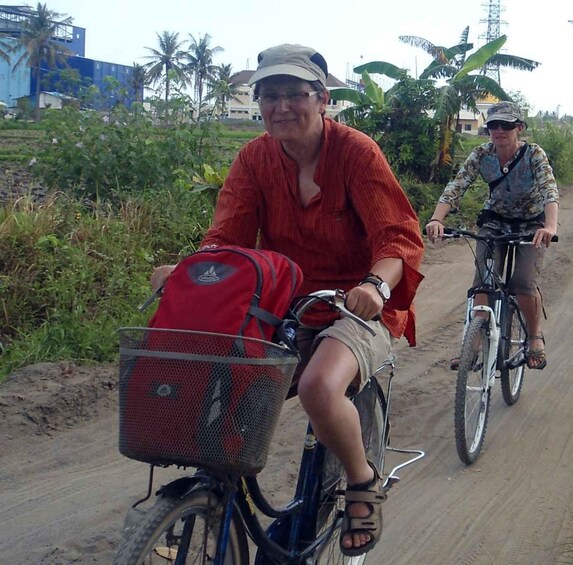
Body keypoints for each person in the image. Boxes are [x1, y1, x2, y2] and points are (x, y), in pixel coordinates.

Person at [150, 44, 424, 557]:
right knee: (223, 376)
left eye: (293, 94)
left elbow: (399, 241)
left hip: (356, 304)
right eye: (268, 95)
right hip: (282, 303)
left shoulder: (356, 153)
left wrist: (375, 286)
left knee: (320, 387)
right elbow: (225, 240)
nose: (280, 106)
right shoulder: (253, 158)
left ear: (322, 99)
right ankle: (216, 494)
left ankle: (363, 482)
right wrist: (191, 269)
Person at [425, 101, 558, 370]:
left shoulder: (534, 155)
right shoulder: (481, 154)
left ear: (519, 128)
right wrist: (437, 218)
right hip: (495, 222)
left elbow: (549, 190)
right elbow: (457, 186)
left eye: (506, 125)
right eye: (493, 125)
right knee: (484, 282)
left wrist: (550, 227)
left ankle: (534, 337)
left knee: (523, 283)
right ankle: (471, 346)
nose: (499, 130)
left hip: (531, 224)